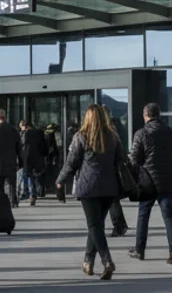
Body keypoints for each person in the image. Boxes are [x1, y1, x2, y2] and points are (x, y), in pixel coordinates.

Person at [57, 104, 125, 281]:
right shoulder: (113, 136)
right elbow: (121, 161)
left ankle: (107, 261)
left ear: (87, 118)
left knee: (95, 226)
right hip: (110, 188)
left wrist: (60, 180)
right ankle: (88, 261)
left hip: (89, 187)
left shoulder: (81, 137)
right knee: (97, 225)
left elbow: (71, 162)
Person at [129, 103, 172, 264]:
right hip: (168, 181)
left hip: (148, 181)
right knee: (168, 216)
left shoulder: (141, 133)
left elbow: (135, 160)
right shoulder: (171, 133)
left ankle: (139, 250)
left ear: (146, 115)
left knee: (143, 216)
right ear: (159, 115)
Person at [100, 106, 129, 237]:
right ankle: (119, 224)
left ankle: (118, 225)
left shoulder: (107, 130)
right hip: (113, 168)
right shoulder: (114, 127)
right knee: (111, 199)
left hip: (107, 169)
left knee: (110, 199)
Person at [20, 121, 46, 207]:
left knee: (28, 176)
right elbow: (43, 146)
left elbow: (21, 145)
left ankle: (28, 193)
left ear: (25, 126)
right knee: (35, 177)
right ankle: (34, 194)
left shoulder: (25, 133)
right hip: (37, 158)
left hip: (27, 158)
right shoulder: (39, 133)